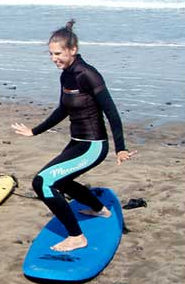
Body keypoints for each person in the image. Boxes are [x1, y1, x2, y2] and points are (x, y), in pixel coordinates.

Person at [10, 20, 135, 252]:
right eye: (50, 54)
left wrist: (121, 148)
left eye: (58, 53)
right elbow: (62, 109)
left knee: (42, 182)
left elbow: (112, 113)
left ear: (73, 50)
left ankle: (76, 236)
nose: (53, 58)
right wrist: (34, 131)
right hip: (77, 142)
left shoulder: (88, 75)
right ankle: (99, 208)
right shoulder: (65, 75)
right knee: (61, 181)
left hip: (93, 145)